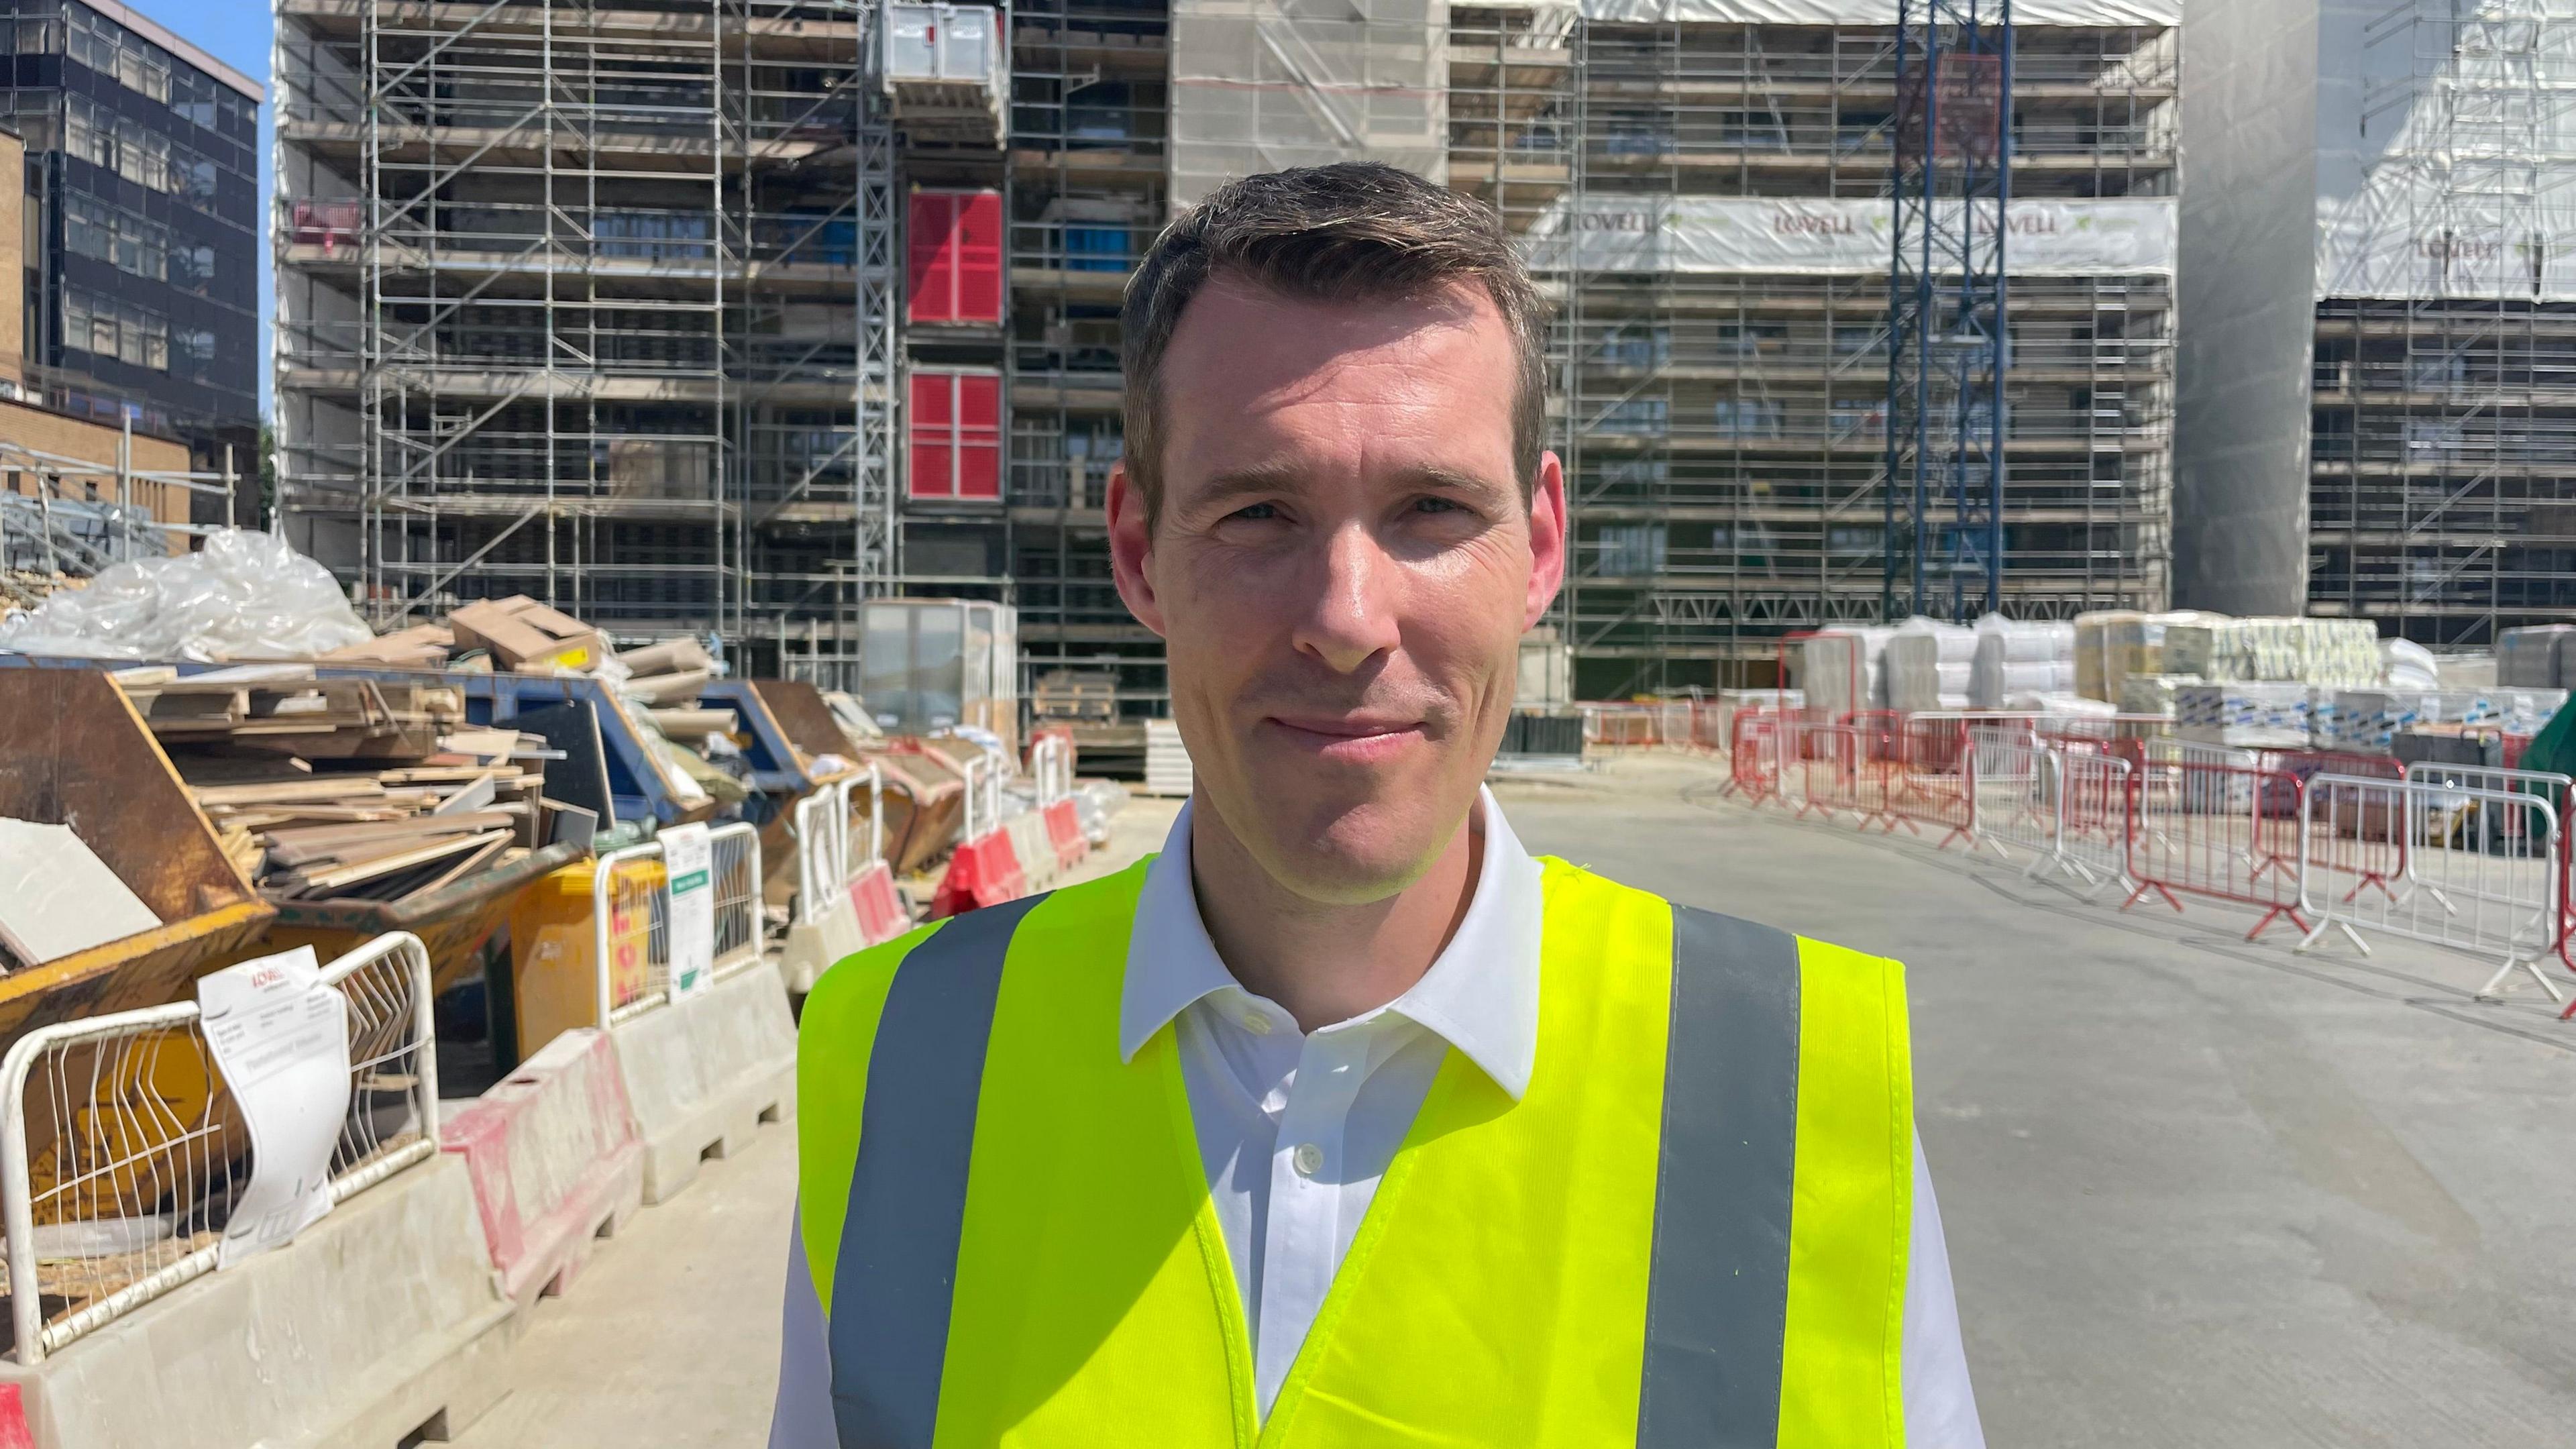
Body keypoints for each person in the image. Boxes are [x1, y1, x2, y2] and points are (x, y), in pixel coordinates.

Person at [769, 162, 1984, 1448]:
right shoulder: (902, 1064)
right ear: (1138, 553)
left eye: (1431, 510)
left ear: (1542, 547)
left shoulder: (1794, 1095)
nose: (1348, 621)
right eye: (1258, 512)